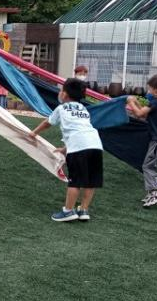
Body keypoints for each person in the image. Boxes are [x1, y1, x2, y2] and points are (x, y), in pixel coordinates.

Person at [29, 78, 103, 222]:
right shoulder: (84, 109)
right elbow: (81, 130)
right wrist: (64, 149)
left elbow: (47, 123)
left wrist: (34, 133)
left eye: (61, 90)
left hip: (78, 148)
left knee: (75, 181)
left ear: (65, 94)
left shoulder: (61, 108)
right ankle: (83, 210)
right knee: (90, 181)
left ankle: (68, 211)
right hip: (96, 145)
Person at [126, 74, 157, 208]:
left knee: (148, 167)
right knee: (152, 167)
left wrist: (130, 101)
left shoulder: (156, 103)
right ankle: (151, 193)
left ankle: (155, 192)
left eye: (149, 89)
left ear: (156, 91)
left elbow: (139, 114)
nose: (148, 91)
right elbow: (144, 113)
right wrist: (136, 103)